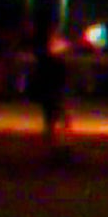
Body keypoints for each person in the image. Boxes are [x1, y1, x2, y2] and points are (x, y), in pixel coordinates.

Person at [26, 31, 76, 161]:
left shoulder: (47, 62)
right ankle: (60, 146)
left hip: (52, 93)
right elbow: (61, 79)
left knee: (53, 120)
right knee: (59, 119)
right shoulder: (56, 63)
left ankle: (55, 145)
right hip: (54, 93)